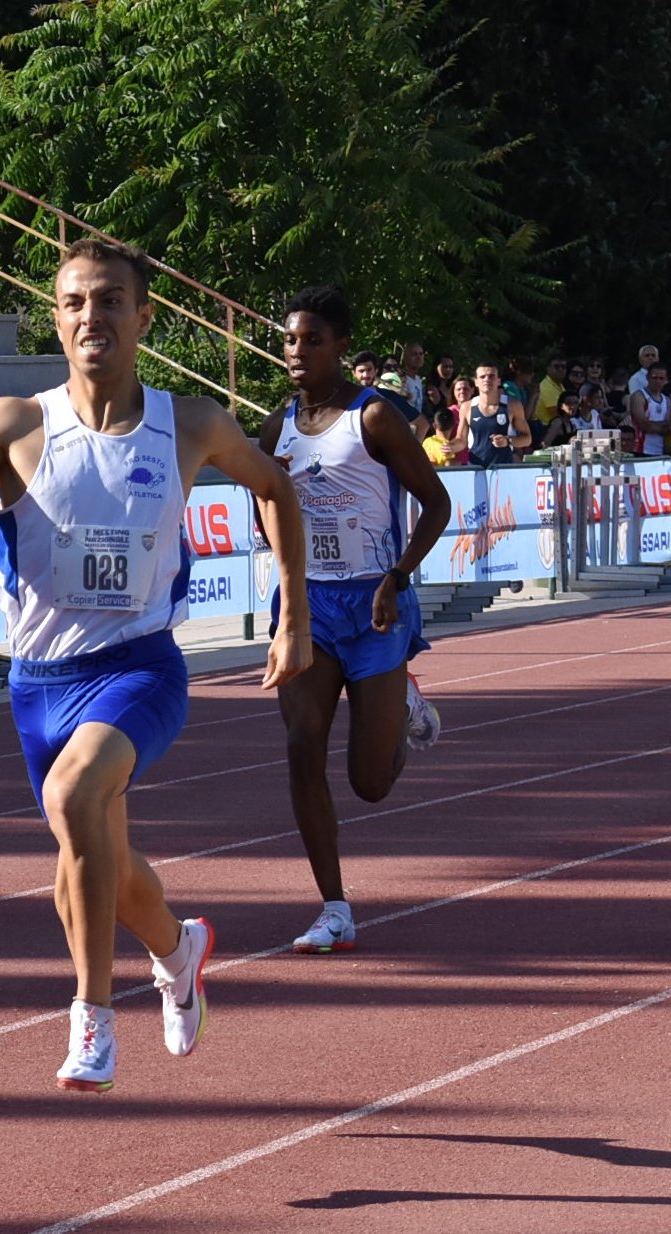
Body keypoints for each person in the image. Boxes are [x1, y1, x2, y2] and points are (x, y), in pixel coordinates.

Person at [0, 238, 312, 1092]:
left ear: (143, 317)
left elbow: (277, 488)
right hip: (38, 686)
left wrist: (293, 620)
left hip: (140, 669)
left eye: (111, 300)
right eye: (76, 302)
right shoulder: (16, 423)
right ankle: (179, 950)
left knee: (76, 796)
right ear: (56, 320)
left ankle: (93, 1021)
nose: (93, 316)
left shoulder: (191, 423)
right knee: (99, 878)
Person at [260, 284, 452, 954]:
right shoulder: (275, 429)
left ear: (341, 346)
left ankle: (402, 704)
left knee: (369, 784)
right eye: (290, 340)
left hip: (375, 605)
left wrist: (398, 576)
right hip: (308, 606)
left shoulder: (373, 418)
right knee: (301, 745)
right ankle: (334, 907)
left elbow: (436, 505)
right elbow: (265, 511)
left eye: (312, 340)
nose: (297, 352)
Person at [466, 363, 533, 467]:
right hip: (476, 467)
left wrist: (508, 441)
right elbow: (461, 440)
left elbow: (527, 439)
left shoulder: (512, 405)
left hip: (503, 467)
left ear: (498, 381)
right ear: (476, 382)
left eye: (491, 376)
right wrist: (449, 446)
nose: (487, 379)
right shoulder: (467, 407)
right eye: (482, 377)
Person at [627, 362, 671, 457]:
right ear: (647, 378)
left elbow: (669, 427)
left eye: (661, 378)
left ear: (666, 380)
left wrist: (652, 425)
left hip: (660, 451)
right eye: (654, 378)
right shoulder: (639, 396)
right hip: (641, 450)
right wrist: (662, 425)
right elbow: (644, 425)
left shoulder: (667, 400)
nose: (658, 381)